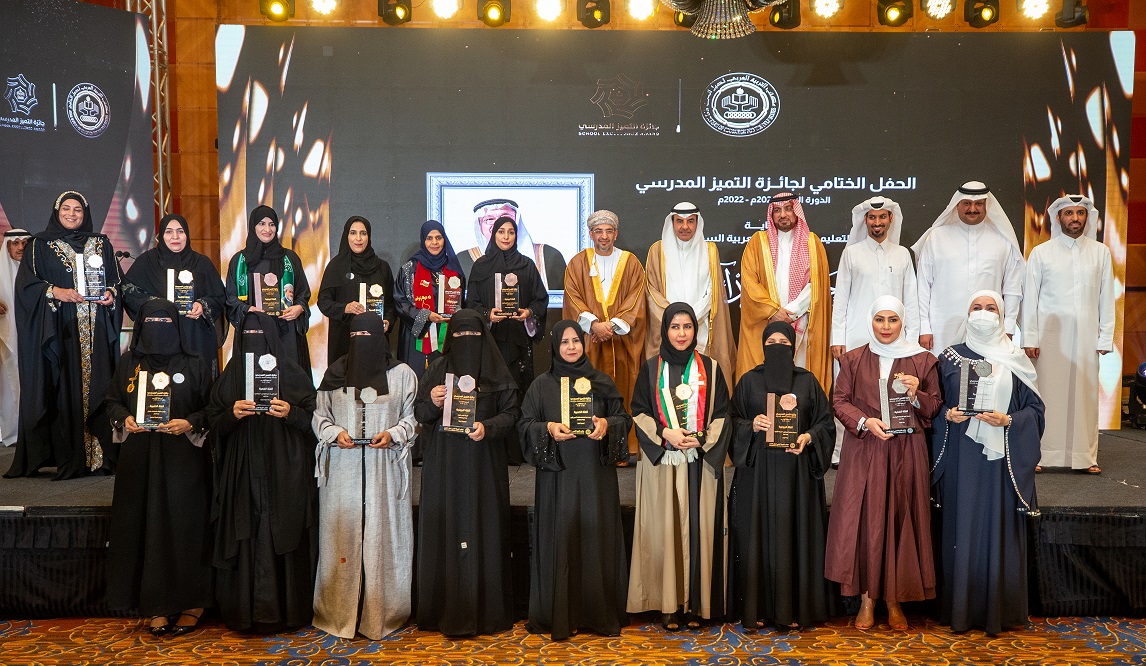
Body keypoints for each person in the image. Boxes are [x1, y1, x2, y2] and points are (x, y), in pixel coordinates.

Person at [824, 296, 941, 631]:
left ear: (903, 322)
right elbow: (839, 400)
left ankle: (894, 600)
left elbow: (934, 407)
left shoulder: (923, 360)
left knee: (900, 515)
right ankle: (866, 599)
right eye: (880, 319)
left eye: (893, 320)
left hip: (906, 451)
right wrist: (865, 421)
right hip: (866, 448)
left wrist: (916, 394)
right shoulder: (853, 358)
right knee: (867, 520)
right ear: (870, 321)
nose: (886, 327)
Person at [932, 290, 1044, 635]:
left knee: (997, 526)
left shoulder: (1015, 358)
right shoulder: (949, 357)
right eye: (977, 308)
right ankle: (959, 609)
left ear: (1002, 314)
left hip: (1001, 463)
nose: (983, 313)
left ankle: (998, 609)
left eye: (991, 308)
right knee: (961, 524)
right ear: (967, 314)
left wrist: (1009, 421)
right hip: (961, 457)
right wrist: (946, 415)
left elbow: (1035, 412)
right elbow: (933, 404)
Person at [104, 299, 214, 637]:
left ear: (177, 326)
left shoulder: (195, 363)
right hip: (139, 459)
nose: (158, 328)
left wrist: (190, 422)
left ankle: (193, 604)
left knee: (185, 527)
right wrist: (123, 418)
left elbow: (213, 408)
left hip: (184, 460)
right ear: (140, 326)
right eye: (151, 321)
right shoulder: (128, 363)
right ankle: (156, 606)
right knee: (144, 528)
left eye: (165, 321)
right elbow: (111, 402)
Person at [518, 320, 631, 640]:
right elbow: (524, 425)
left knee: (596, 541)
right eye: (565, 342)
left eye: (576, 341)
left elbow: (623, 419)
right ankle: (561, 614)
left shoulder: (601, 382)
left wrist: (607, 425)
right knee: (562, 540)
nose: (571, 347)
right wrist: (548, 429)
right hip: (559, 478)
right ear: (555, 346)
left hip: (595, 478)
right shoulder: (541, 386)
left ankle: (598, 613)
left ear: (584, 344)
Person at [413, 309, 521, 637]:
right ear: (450, 339)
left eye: (473, 334)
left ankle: (488, 612)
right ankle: (442, 610)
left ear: (483, 337)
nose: (466, 341)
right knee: (445, 528)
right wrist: (432, 402)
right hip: (444, 464)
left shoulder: (496, 369)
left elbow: (512, 413)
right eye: (459, 335)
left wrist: (487, 427)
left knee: (484, 527)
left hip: (484, 463)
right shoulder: (437, 368)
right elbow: (419, 412)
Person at [209, 311, 318, 633]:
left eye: (261, 335)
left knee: (282, 529)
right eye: (248, 335)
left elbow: (316, 421)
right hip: (242, 467)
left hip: (283, 465)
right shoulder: (230, 376)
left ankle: (288, 612)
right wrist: (231, 414)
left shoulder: (292, 372)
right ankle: (244, 613)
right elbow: (213, 423)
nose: (254, 341)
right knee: (246, 529)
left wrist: (291, 412)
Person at [312, 313, 417, 639]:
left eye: (367, 336)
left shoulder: (402, 375)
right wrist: (335, 433)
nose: (362, 342)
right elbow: (319, 418)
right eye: (355, 336)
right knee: (342, 540)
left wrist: (394, 433)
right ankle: (338, 612)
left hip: (385, 472)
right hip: (342, 473)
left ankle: (382, 613)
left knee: (381, 540)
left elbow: (413, 420)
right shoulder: (335, 373)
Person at [726, 321, 835, 632]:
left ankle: (796, 608)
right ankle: (756, 608)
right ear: (762, 346)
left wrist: (809, 437)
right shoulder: (749, 381)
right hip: (757, 474)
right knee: (755, 538)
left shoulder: (808, 381)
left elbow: (825, 423)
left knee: (795, 535)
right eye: (771, 342)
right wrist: (751, 425)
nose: (777, 348)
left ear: (793, 346)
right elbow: (731, 421)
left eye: (783, 343)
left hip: (796, 474)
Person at [627, 302, 731, 631]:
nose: (681, 333)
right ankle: (669, 605)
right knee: (666, 532)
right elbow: (638, 411)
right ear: (665, 330)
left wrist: (702, 439)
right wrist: (665, 433)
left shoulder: (711, 369)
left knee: (699, 531)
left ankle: (699, 605)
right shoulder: (650, 369)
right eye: (675, 327)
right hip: (664, 464)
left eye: (687, 327)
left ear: (695, 330)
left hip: (699, 462)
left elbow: (723, 414)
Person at [5, 191, 121, 479]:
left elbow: (116, 281)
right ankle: (70, 455)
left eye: (78, 209)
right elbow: (26, 287)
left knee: (101, 387)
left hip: (96, 330)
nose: (72, 214)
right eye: (66, 208)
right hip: (61, 331)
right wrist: (56, 291)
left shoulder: (101, 243)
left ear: (85, 213)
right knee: (63, 388)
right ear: (57, 212)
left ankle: (100, 456)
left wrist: (110, 294)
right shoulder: (39, 245)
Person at [1022, 195, 1114, 474]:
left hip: (1087, 338)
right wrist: (1030, 338)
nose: (1075, 218)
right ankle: (1042, 455)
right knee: (1048, 395)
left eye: (1080, 213)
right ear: (1058, 218)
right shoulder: (1041, 253)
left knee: (1085, 397)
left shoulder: (1100, 253)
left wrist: (1105, 337)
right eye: (1069, 213)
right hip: (1049, 338)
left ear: (1087, 217)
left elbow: (1106, 298)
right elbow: (1031, 298)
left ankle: (1085, 457)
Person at [828, 196, 919, 464]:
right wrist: (838, 337)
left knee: (892, 388)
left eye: (882, 217)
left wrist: (912, 341)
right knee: (850, 392)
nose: (877, 222)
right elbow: (841, 298)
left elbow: (911, 300)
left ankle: (892, 441)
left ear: (891, 219)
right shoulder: (852, 253)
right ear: (865, 220)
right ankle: (841, 452)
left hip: (895, 338)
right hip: (856, 335)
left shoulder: (902, 254)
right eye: (872, 217)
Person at [561, 209, 646, 459]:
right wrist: (594, 325)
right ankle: (590, 449)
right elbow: (572, 297)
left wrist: (612, 327)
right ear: (591, 234)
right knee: (589, 394)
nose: (604, 236)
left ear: (616, 234)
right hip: (589, 343)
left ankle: (622, 450)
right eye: (599, 231)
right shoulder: (577, 262)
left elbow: (637, 298)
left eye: (609, 231)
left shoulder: (631, 262)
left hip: (622, 344)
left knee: (623, 395)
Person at [466, 216, 548, 464]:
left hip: (517, 343)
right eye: (501, 232)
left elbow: (540, 299)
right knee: (491, 393)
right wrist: (486, 315)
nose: (506, 237)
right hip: (489, 342)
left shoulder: (526, 265)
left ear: (516, 235)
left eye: (511, 232)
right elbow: (471, 303)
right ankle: (490, 448)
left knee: (517, 391)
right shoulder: (480, 266)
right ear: (493, 234)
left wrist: (528, 312)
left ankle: (517, 451)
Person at [913, 182, 1024, 354]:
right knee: (943, 368)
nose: (972, 209)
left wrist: (1009, 326)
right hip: (941, 326)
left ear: (986, 205)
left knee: (984, 369)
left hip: (988, 326)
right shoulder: (936, 237)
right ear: (957, 205)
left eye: (978, 203)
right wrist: (924, 327)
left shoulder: (1002, 240)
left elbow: (1012, 287)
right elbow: (923, 286)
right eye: (966, 203)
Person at [736, 193, 831, 391]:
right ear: (771, 214)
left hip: (802, 321)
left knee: (799, 379)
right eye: (777, 210)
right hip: (766, 322)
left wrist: (791, 312)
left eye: (788, 208)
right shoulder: (758, 242)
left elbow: (817, 284)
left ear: (796, 211)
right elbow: (750, 282)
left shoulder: (812, 243)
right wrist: (773, 311)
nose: (783, 215)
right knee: (764, 379)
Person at [121, 214, 227, 375]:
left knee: (195, 381)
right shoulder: (147, 262)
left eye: (180, 231)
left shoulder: (202, 263)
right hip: (158, 338)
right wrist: (156, 305)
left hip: (194, 335)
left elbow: (219, 297)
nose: (175, 237)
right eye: (169, 232)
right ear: (161, 236)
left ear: (187, 235)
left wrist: (202, 305)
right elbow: (128, 292)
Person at [645, 203, 736, 380]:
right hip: (669, 326)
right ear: (672, 222)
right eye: (679, 221)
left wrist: (692, 318)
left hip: (701, 327)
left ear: (697, 223)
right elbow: (652, 291)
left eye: (690, 221)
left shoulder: (710, 250)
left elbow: (713, 291)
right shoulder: (657, 250)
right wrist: (675, 319)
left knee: (700, 378)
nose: (685, 226)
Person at [224, 205, 312, 376]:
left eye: (272, 224)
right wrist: (247, 309)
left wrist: (299, 308)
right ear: (253, 226)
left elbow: (303, 292)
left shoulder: (290, 258)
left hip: (286, 330)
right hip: (254, 331)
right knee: (255, 379)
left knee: (288, 379)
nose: (267, 229)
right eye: (262, 224)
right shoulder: (239, 261)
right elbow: (231, 297)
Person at [317, 216, 397, 368]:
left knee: (374, 379)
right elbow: (324, 302)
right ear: (346, 236)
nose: (358, 238)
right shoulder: (336, 266)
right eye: (353, 233)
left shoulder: (382, 267)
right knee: (344, 379)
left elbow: (391, 304)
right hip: (343, 340)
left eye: (363, 233)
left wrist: (388, 321)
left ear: (369, 236)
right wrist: (345, 308)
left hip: (375, 340)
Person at [394, 220, 466, 377]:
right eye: (429, 238)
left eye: (438, 238)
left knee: (445, 378)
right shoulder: (409, 269)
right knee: (417, 379)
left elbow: (462, 302)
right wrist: (426, 316)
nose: (435, 242)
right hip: (416, 337)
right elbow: (400, 302)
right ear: (423, 240)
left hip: (447, 334)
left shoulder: (454, 270)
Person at [458, 198, 567, 291]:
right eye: (489, 219)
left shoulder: (548, 256)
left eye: (505, 217)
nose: (498, 224)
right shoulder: (463, 260)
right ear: (480, 226)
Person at [0, 228, 29, 446]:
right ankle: (9, 431)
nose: (20, 248)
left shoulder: (37, 271)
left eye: (24, 243)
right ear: (7, 246)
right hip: (5, 338)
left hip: (31, 338)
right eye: (15, 243)